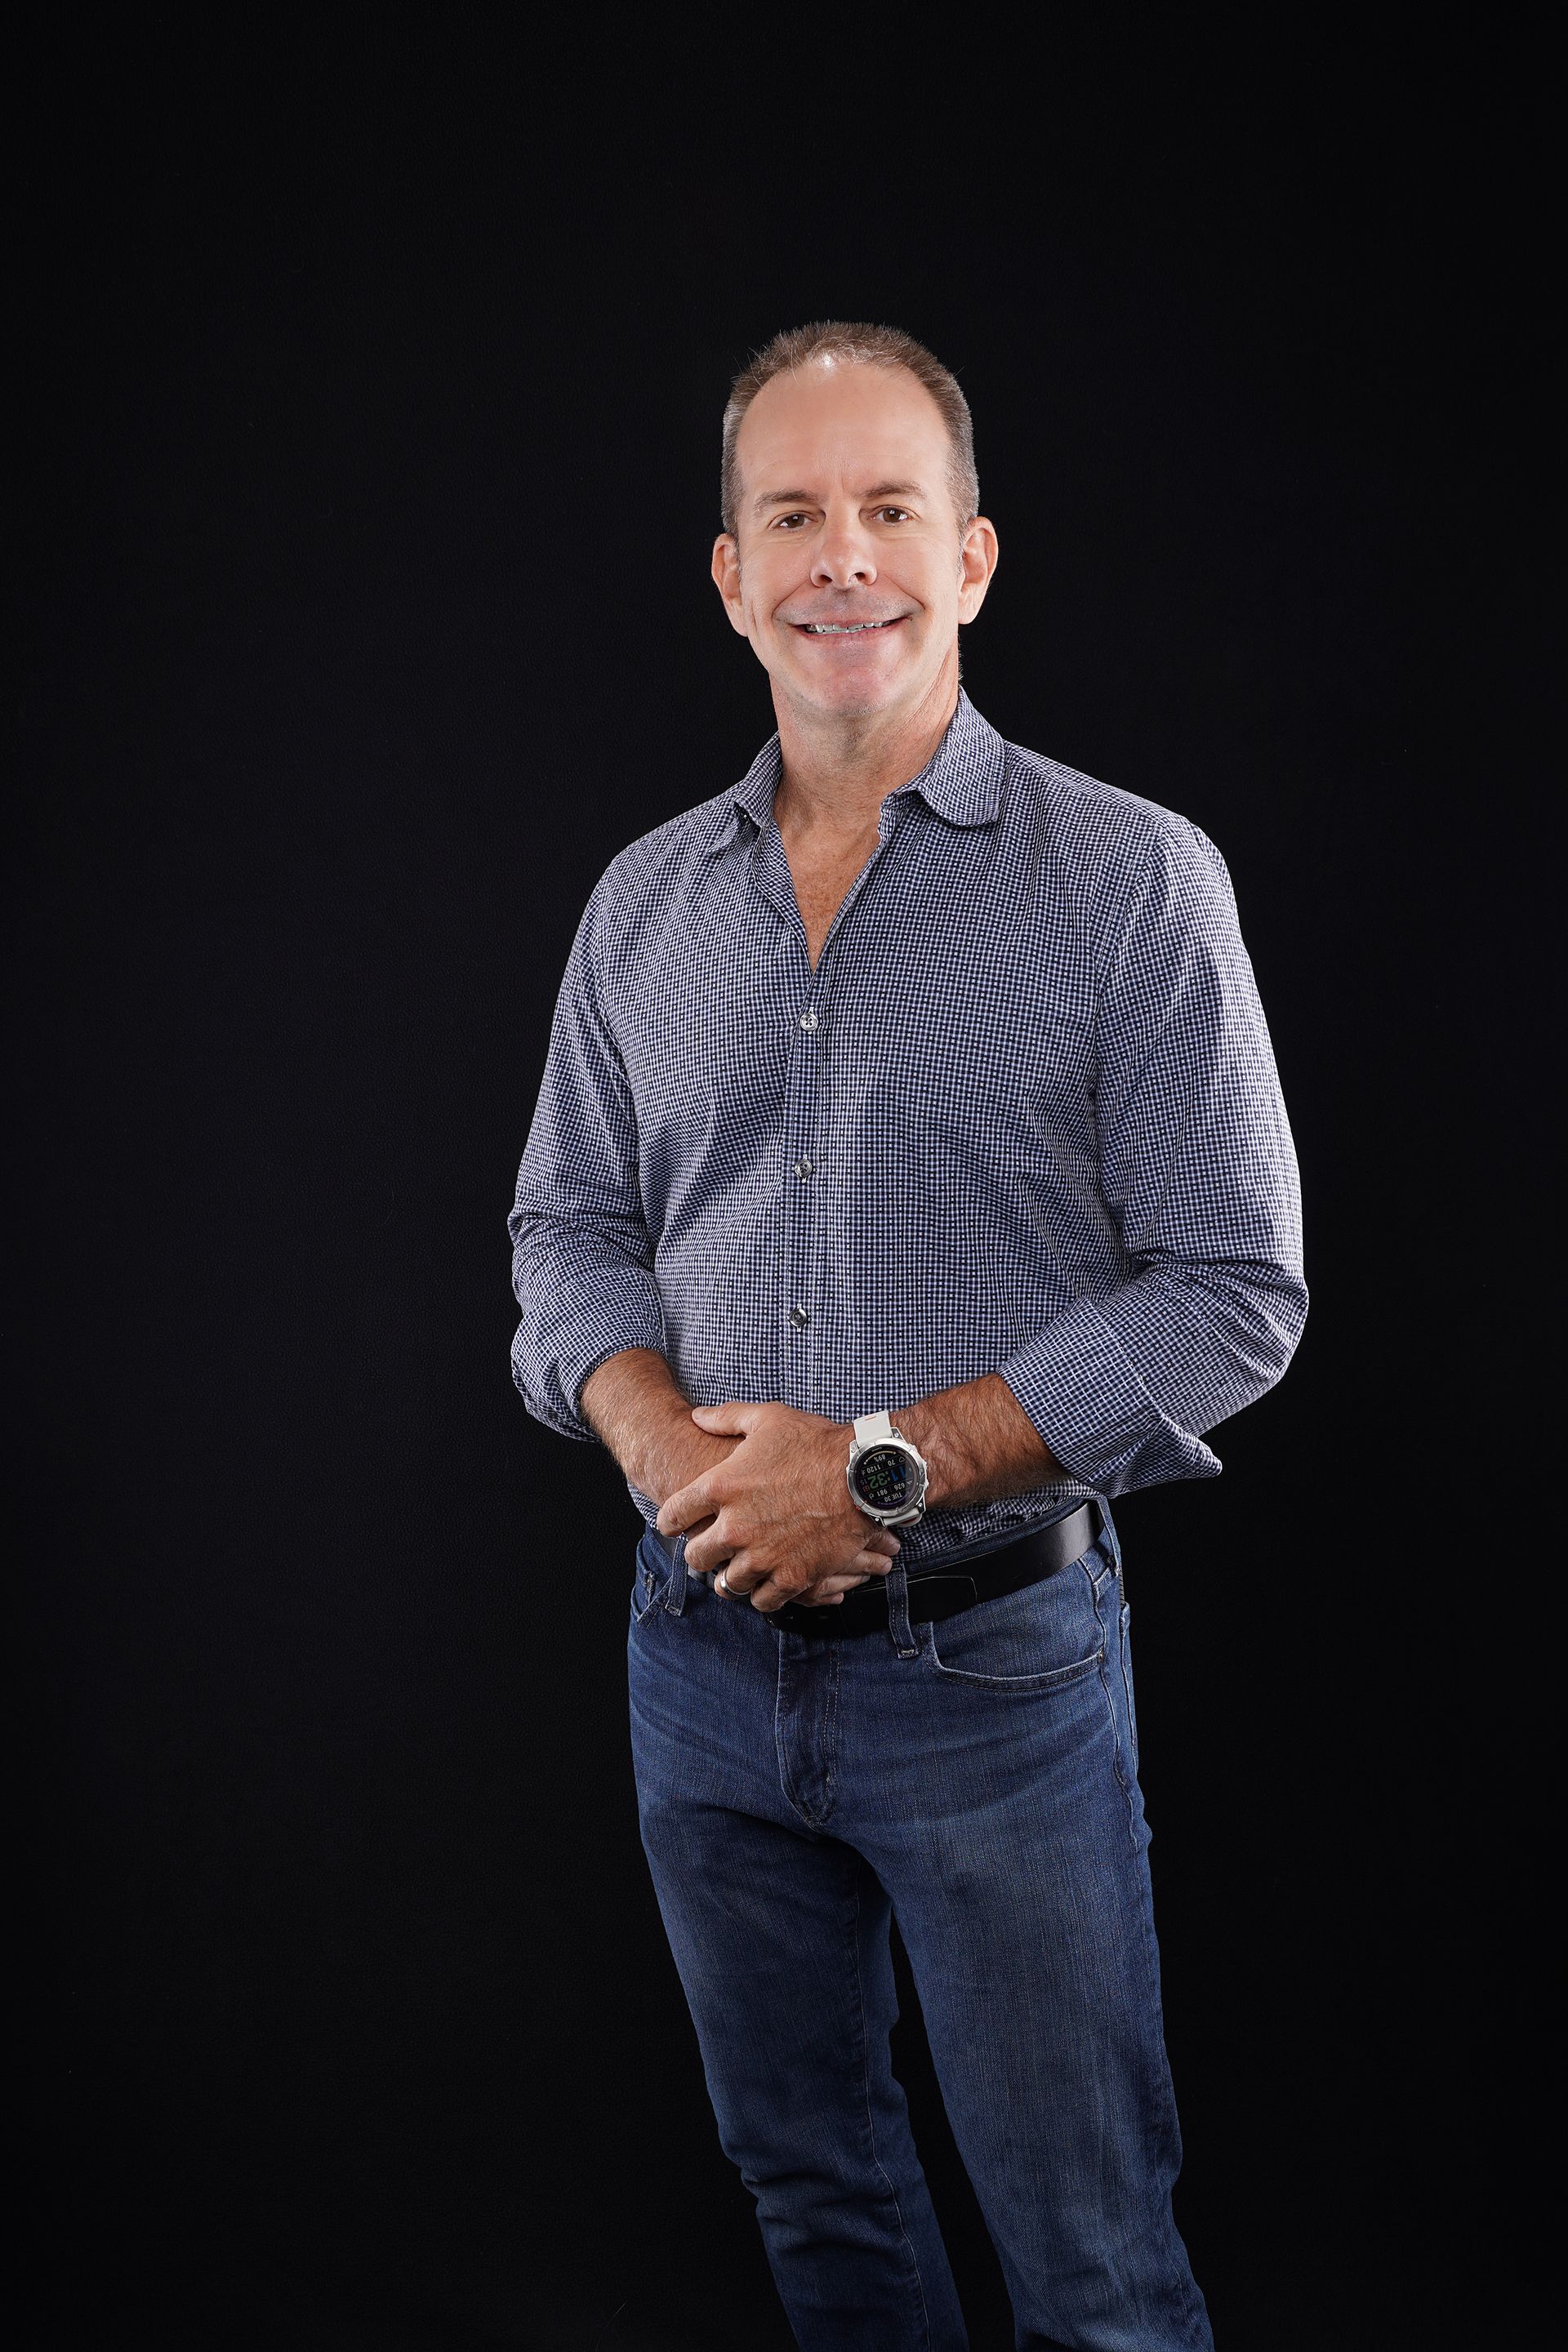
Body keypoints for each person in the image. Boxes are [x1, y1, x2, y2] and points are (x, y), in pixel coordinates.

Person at [507, 319, 1307, 2351]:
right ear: (728, 571)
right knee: (818, 2199)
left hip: (999, 1675)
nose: (839, 556)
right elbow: (570, 1228)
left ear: (972, 561)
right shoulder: (639, 907)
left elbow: (1236, 1293)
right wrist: (667, 1451)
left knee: (1094, 2266)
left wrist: (875, 1468)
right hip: (691, 1662)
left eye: (890, 511)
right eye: (793, 514)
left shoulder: (1133, 883)